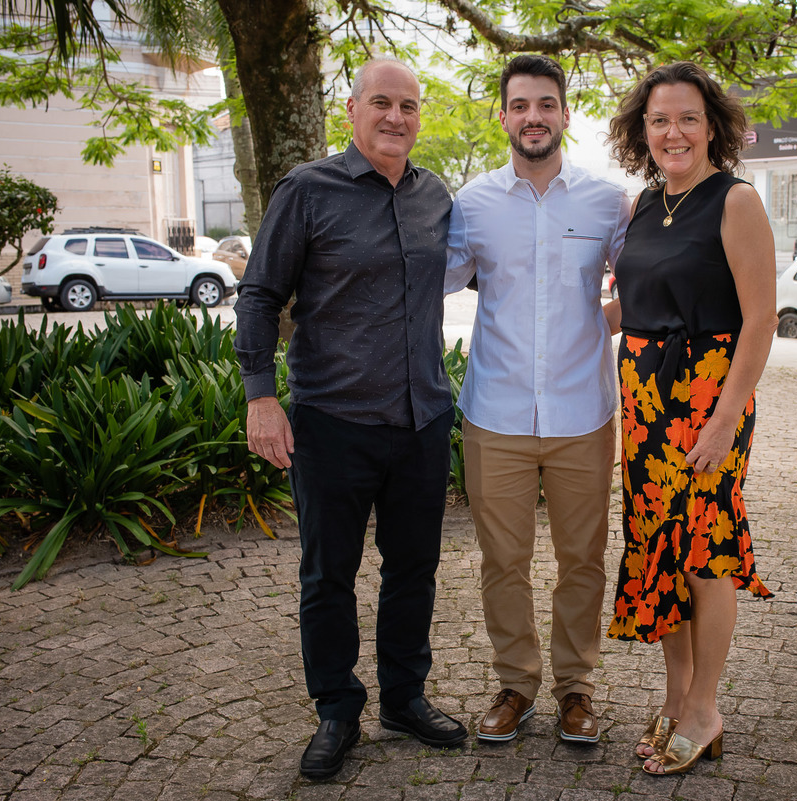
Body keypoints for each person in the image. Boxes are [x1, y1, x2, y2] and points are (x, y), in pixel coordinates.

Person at [233, 57, 466, 781]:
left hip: (422, 418)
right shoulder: (307, 190)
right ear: (352, 109)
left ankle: (404, 698)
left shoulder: (436, 196)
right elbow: (258, 295)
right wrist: (261, 396)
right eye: (382, 103)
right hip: (333, 420)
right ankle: (336, 708)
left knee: (414, 569)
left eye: (408, 106)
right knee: (328, 574)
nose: (396, 117)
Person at [445, 54, 631, 744]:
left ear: (565, 114)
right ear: (503, 116)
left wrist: (598, 325)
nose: (533, 117)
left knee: (583, 558)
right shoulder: (471, 203)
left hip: (584, 412)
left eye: (546, 104)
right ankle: (516, 685)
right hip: (496, 412)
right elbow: (433, 278)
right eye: (520, 105)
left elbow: (643, 280)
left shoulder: (607, 200)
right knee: (504, 560)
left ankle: (576, 688)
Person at [602, 62, 777, 776]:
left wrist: (725, 420)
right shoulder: (646, 204)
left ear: (712, 128)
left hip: (708, 399)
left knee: (705, 550)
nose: (673, 132)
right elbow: (636, 304)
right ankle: (676, 698)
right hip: (643, 404)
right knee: (657, 548)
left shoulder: (735, 201)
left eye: (687, 119)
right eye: (659, 120)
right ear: (641, 130)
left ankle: (705, 707)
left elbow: (761, 319)